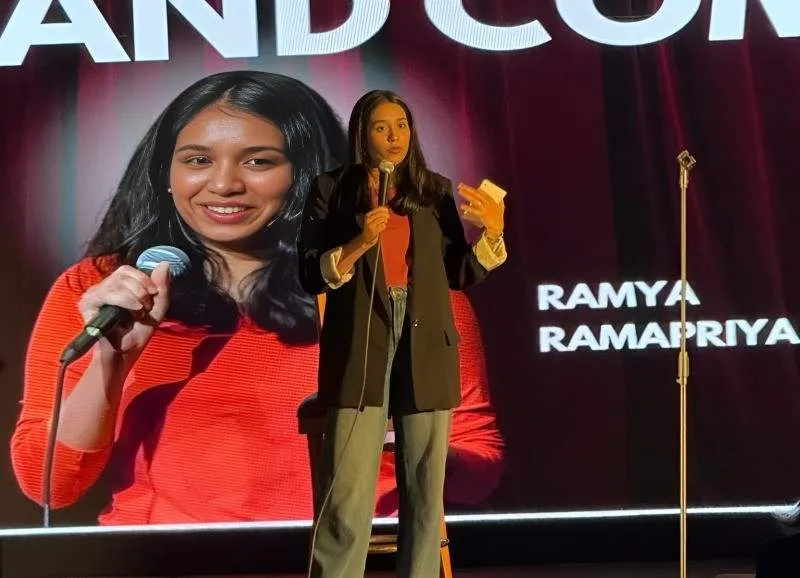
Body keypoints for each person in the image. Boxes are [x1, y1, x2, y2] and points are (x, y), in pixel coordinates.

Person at [11, 73, 504, 525]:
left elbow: (479, 468)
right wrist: (110, 364)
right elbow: (50, 484)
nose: (224, 183)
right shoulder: (102, 288)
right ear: (166, 172)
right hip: (166, 565)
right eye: (198, 160)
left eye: (258, 161)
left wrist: (403, 443)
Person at [298, 90, 507, 577]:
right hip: (361, 344)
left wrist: (493, 234)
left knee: (424, 488)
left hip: (425, 339)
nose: (394, 138)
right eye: (381, 127)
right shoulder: (331, 189)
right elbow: (309, 273)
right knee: (347, 493)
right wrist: (357, 243)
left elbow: (459, 272)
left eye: (401, 126)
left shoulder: (432, 190)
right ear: (361, 135)